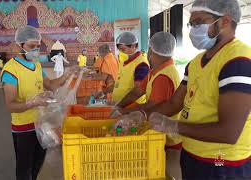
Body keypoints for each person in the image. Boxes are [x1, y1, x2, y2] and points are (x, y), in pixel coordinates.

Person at [125, 0, 251, 179]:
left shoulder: (238, 61)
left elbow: (229, 132)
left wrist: (174, 126)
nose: (193, 29)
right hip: (192, 154)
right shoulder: (195, 64)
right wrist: (143, 116)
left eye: (198, 22)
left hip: (222, 164)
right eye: (191, 24)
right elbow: (174, 103)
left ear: (224, 21)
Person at [1, 25, 75, 180]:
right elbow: (10, 105)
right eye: (31, 46)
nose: (35, 50)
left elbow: (52, 85)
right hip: (23, 128)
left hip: (42, 124)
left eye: (37, 46)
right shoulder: (11, 70)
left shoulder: (36, 65)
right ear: (18, 45)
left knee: (37, 163)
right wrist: (32, 103)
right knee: (24, 167)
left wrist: (68, 74)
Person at [120, 32, 182, 179]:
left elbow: (151, 106)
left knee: (165, 173)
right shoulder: (156, 70)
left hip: (169, 139)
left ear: (152, 50)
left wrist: (125, 113)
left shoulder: (163, 76)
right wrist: (119, 107)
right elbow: (137, 91)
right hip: (159, 132)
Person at [95, 32, 150, 108]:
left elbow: (138, 91)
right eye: (119, 50)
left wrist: (119, 105)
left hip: (132, 108)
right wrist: (103, 92)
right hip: (120, 105)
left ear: (134, 46)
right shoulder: (124, 62)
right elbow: (118, 84)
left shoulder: (141, 65)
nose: (120, 52)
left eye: (123, 49)